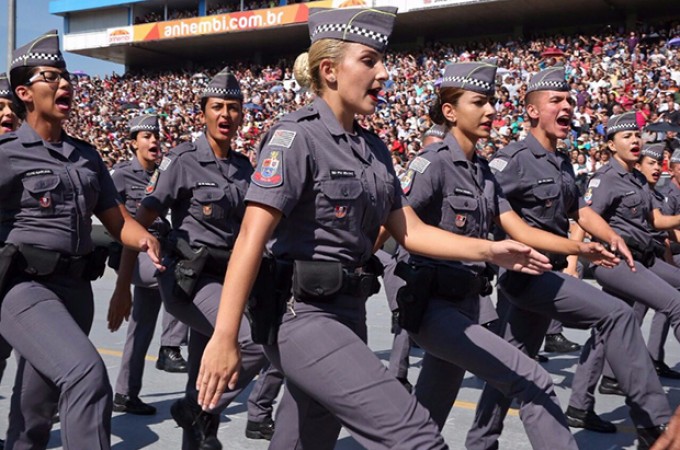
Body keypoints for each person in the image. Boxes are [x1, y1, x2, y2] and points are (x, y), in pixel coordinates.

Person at [197, 8, 553, 449]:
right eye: (369, 61)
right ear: (329, 70)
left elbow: (411, 230)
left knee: (309, 438)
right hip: (301, 314)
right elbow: (251, 236)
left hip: (349, 310)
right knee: (417, 436)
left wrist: (490, 249)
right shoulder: (295, 137)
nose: (384, 73)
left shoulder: (373, 148)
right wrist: (225, 336)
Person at [402, 61, 619, 447]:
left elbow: (517, 229)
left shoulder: (482, 171)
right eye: (479, 103)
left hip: (468, 300)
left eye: (492, 103)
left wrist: (578, 248)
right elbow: (399, 227)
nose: (490, 111)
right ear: (450, 112)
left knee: (426, 417)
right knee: (530, 378)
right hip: (434, 302)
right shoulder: (432, 164)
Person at [465, 67, 672, 449]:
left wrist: (610, 236)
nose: (568, 107)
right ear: (531, 111)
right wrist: (580, 249)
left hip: (547, 272)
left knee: (510, 362)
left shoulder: (560, 160)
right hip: (529, 275)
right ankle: (654, 422)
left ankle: (480, 442)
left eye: (570, 101)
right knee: (616, 314)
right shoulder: (510, 161)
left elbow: (579, 210)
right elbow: (498, 217)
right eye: (556, 101)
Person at [0, 30, 162, 450]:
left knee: (36, 408)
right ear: (25, 92)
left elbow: (115, 218)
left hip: (75, 291)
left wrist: (143, 239)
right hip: (26, 288)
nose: (64, 84)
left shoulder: (86, 155)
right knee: (85, 374)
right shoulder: (7, 152)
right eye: (50, 77)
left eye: (66, 76)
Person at [107, 68, 270, 450]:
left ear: (242, 115)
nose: (225, 115)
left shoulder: (246, 168)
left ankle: (197, 417)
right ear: (202, 114)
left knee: (202, 372)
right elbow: (138, 224)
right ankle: (200, 409)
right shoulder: (181, 161)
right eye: (217, 107)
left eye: (233, 107)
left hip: (229, 281)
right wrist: (122, 288)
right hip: (190, 281)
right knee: (252, 343)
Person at [566, 113, 680, 443]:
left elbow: (655, 219)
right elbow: (582, 218)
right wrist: (573, 263)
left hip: (641, 258)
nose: (634, 140)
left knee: (607, 331)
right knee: (675, 303)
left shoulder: (636, 180)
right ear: (610, 143)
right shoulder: (605, 179)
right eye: (626, 135)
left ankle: (579, 405)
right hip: (614, 260)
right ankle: (645, 414)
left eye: (637, 135)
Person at [108, 114, 189, 416]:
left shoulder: (162, 173)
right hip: (135, 252)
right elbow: (107, 209)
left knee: (140, 329)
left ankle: (125, 394)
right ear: (133, 143)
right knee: (179, 276)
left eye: (156, 136)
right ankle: (171, 347)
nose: (154, 141)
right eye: (146, 136)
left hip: (160, 249)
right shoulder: (121, 174)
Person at [631, 143, 680, 379]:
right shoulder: (665, 195)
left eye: (657, 164)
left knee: (656, 307)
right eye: (651, 163)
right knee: (628, 315)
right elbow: (664, 230)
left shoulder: (656, 194)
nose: (656, 168)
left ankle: (652, 358)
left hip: (655, 258)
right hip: (641, 259)